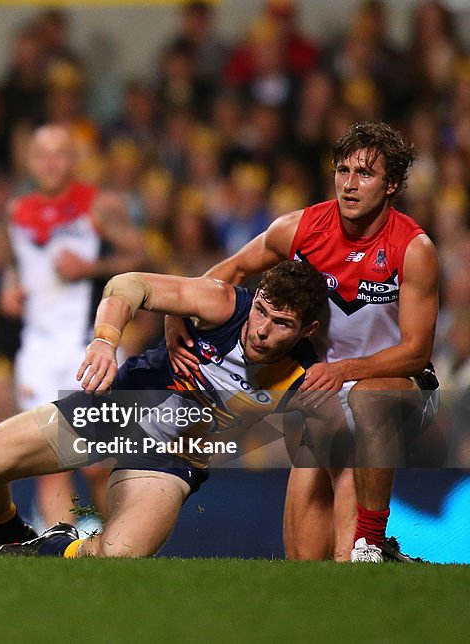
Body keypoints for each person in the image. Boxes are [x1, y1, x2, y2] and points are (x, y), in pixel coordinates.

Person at [166, 120, 438, 563]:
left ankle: (371, 542)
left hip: (396, 388)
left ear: (391, 186)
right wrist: (176, 314)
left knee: (369, 402)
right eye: (343, 171)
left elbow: (416, 353)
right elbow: (229, 272)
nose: (349, 185)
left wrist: (342, 371)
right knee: (304, 562)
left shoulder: (413, 248)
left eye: (364, 174)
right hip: (321, 395)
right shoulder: (300, 228)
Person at [0, 260, 337, 557]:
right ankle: (4, 530)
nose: (262, 330)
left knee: (118, 555)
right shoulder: (224, 304)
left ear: (306, 330)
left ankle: (47, 547)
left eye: (281, 323)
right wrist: (104, 341)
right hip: (116, 410)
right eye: (262, 311)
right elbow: (127, 285)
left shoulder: (309, 376)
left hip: (170, 460)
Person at [0, 123, 144, 526]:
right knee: (51, 464)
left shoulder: (98, 205)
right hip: (38, 350)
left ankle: (121, 545)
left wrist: (91, 267)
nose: (49, 163)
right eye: (41, 154)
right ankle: (63, 550)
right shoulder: (17, 210)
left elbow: (139, 257)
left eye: (59, 153)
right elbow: (18, 264)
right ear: (30, 161)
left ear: (74, 160)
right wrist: (10, 288)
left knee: (98, 462)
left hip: (89, 346)